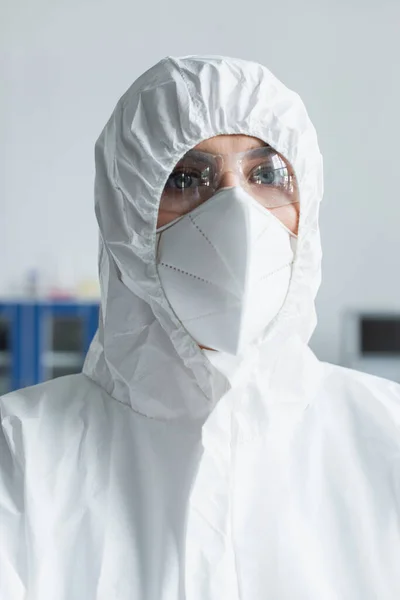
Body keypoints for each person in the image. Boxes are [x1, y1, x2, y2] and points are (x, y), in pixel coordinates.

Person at [1, 55, 399, 600]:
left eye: (266, 175)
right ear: (126, 216)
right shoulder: (21, 458)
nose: (236, 210)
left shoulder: (387, 439)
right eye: (188, 179)